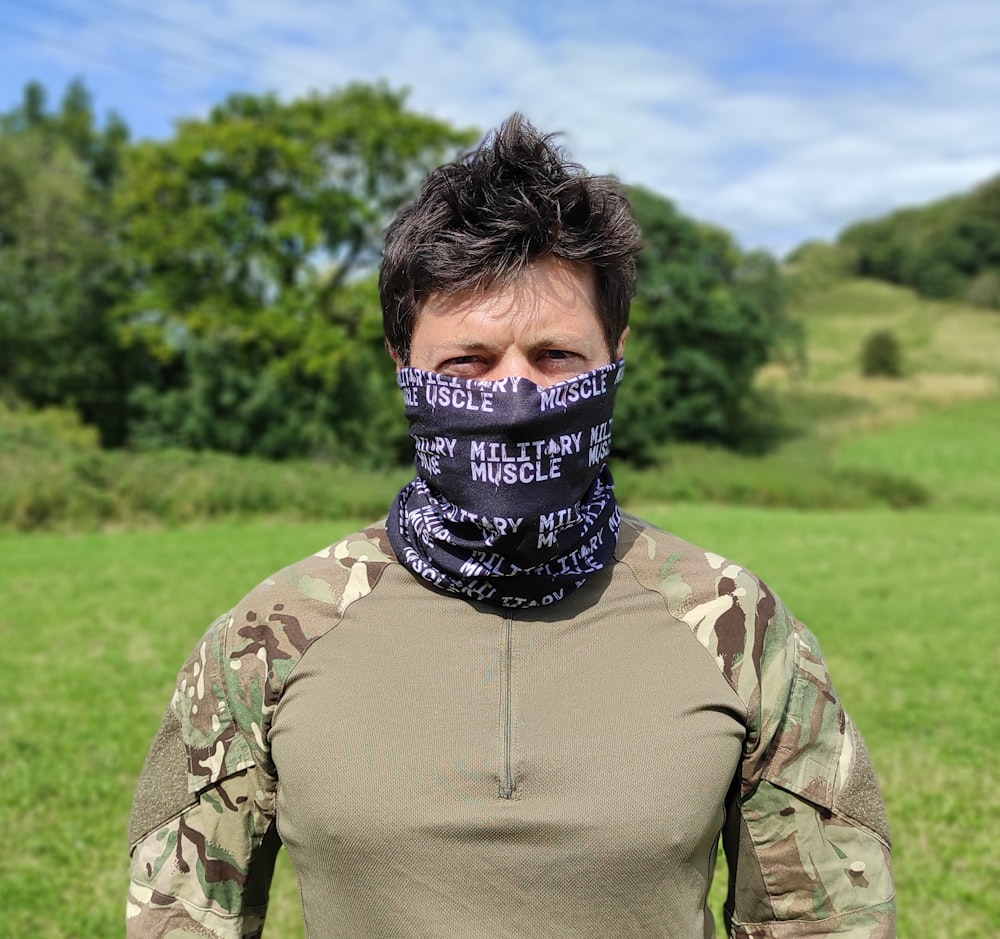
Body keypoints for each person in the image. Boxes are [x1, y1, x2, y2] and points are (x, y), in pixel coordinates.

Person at [127, 115, 896, 938]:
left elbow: (825, 920)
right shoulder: (265, 639)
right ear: (403, 364)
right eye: (470, 362)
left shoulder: (740, 627)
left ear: (615, 357)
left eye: (557, 357)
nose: (517, 396)